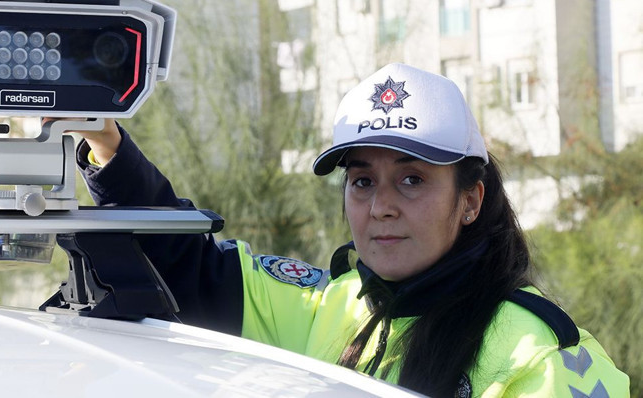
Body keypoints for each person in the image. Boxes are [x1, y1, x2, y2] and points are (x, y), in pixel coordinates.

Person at [74, 63, 630, 398]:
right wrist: (106, 142)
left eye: (411, 180)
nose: (381, 207)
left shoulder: (538, 353)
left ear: (470, 200)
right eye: (362, 182)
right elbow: (186, 267)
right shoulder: (328, 304)